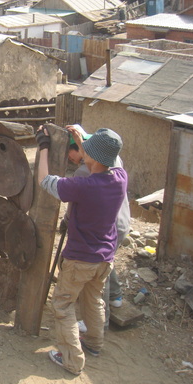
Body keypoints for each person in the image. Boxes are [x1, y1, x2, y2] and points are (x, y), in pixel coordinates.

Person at [36, 125, 127, 376]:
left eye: (87, 149)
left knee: (63, 306)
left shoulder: (84, 185)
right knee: (93, 300)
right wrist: (82, 140)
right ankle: (94, 345)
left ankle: (72, 360)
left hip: (80, 259)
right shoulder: (119, 178)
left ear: (94, 158)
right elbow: (106, 157)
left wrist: (43, 147)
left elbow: (45, 180)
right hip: (104, 257)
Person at [65, 125, 130, 330]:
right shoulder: (113, 161)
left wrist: (66, 221)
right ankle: (116, 296)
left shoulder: (84, 172)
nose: (72, 158)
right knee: (106, 262)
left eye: (71, 154)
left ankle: (100, 321)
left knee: (98, 274)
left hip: (106, 225)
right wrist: (82, 137)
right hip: (120, 220)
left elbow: (73, 205)